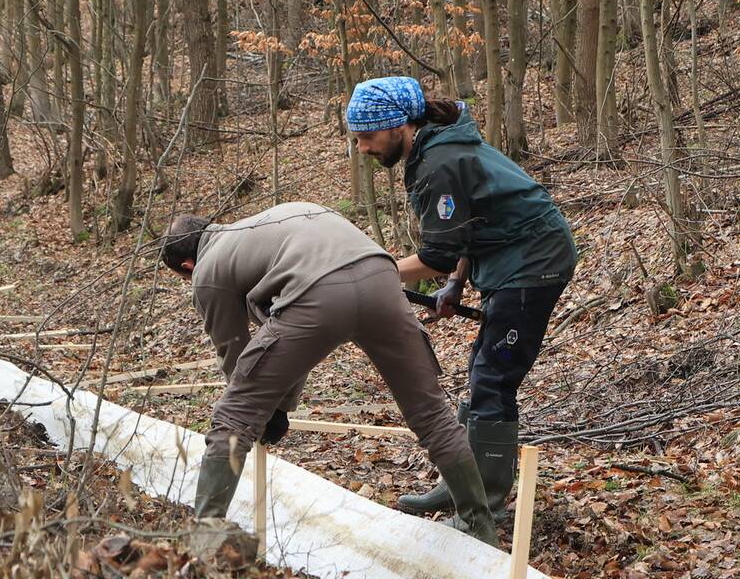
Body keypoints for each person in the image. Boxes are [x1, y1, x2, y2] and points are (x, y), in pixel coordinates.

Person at [161, 201, 499, 545]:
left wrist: (265, 410)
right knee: (432, 416)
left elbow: (234, 354)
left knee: (233, 416)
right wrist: (279, 406)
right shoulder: (264, 225)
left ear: (188, 266)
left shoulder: (207, 271)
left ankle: (203, 540)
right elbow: (280, 331)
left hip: (320, 293)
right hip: (382, 276)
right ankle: (480, 527)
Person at [346, 76, 576, 521]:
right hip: (511, 259)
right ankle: (461, 485)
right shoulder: (435, 151)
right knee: (482, 370)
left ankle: (481, 506)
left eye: (367, 136)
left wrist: (376, 270)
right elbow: (472, 226)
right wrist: (456, 282)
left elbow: (437, 253)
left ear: (398, 126)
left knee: (494, 377)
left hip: (534, 261)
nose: (362, 148)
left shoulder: (440, 162)